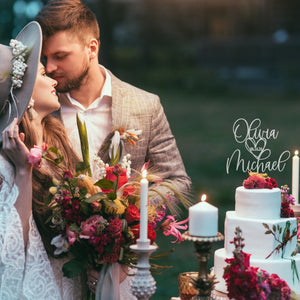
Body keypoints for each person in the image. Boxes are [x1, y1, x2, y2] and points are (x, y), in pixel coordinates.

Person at [35, 0, 191, 209]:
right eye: (45, 57)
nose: (50, 67)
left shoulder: (147, 106)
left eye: (60, 56)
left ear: (92, 48)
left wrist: (126, 208)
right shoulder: (39, 108)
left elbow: (178, 183)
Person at [0, 21, 85, 299]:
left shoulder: (58, 137)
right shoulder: (5, 161)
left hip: (69, 279)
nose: (52, 79)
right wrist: (23, 171)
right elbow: (11, 249)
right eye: (42, 75)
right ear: (24, 91)